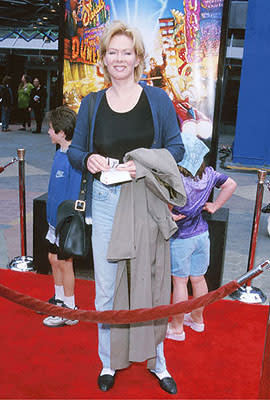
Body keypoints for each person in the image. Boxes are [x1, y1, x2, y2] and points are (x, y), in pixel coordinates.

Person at [68, 20, 185, 395]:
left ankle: (159, 362)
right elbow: (74, 150)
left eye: (127, 52)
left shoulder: (158, 100)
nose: (120, 58)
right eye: (112, 52)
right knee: (106, 288)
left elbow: (177, 148)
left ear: (138, 58)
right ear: (103, 59)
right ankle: (108, 361)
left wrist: (144, 162)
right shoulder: (91, 103)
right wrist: (88, 160)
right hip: (104, 202)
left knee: (151, 285)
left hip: (146, 200)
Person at [166, 132, 237, 341]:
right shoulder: (209, 175)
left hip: (180, 238)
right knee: (198, 279)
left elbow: (167, 207)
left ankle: (177, 328)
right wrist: (215, 205)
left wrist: (168, 214)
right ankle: (197, 320)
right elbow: (231, 184)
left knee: (180, 283)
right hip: (201, 234)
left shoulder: (176, 180)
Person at [42, 105, 82, 328]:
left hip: (66, 223)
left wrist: (68, 222)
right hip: (53, 221)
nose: (48, 132)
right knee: (52, 259)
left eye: (51, 129)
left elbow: (74, 195)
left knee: (66, 264)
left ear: (62, 133)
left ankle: (69, 309)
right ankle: (58, 301)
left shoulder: (74, 159)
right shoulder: (59, 153)